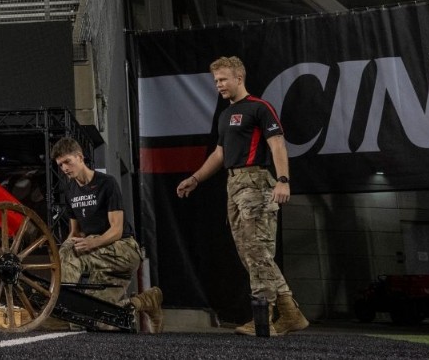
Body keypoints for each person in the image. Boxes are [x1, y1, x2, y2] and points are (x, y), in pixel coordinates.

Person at [175, 56, 309, 336]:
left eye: (223, 79)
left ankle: (264, 321)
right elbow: (219, 154)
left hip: (256, 183)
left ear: (239, 78)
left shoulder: (259, 107)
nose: (219, 85)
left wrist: (283, 180)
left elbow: (277, 145)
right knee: (251, 254)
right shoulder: (225, 115)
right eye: (216, 81)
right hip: (233, 185)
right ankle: (290, 313)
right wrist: (195, 178)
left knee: (258, 252)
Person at [52, 137, 164, 333]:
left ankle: (63, 304)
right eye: (60, 165)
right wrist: (58, 255)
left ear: (80, 157)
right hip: (99, 259)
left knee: (71, 250)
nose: (64, 168)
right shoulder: (70, 191)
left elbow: (116, 230)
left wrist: (89, 245)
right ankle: (146, 301)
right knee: (89, 318)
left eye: (67, 162)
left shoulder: (106, 183)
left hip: (123, 250)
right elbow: (75, 232)